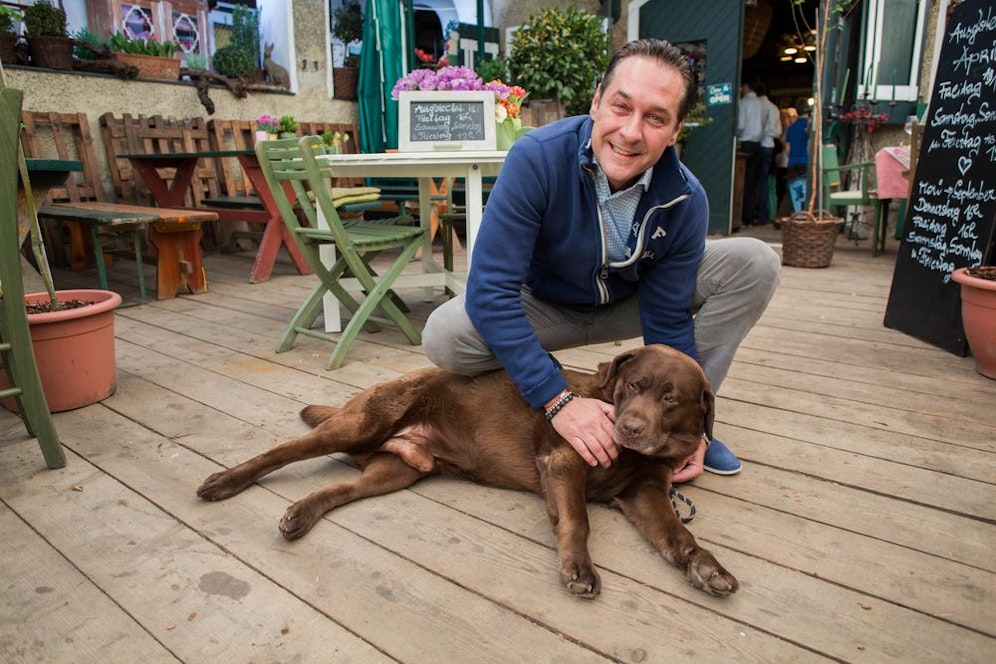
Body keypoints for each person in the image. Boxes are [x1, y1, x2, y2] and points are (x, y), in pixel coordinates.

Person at [423, 38, 781, 483]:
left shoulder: (686, 198)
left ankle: (680, 426)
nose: (630, 132)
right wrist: (557, 398)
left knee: (754, 261)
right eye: (620, 107)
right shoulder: (536, 159)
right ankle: (544, 390)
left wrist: (692, 429)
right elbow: (491, 291)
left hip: (628, 304)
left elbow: (668, 320)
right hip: (545, 305)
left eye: (656, 118)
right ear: (596, 102)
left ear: (676, 130)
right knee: (445, 335)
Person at [785, 107, 811, 212]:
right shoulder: (809, 127)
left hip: (793, 162)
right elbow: (809, 147)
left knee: (795, 190)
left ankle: (798, 213)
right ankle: (805, 213)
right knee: (805, 190)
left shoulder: (791, 128)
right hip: (805, 161)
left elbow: (787, 149)